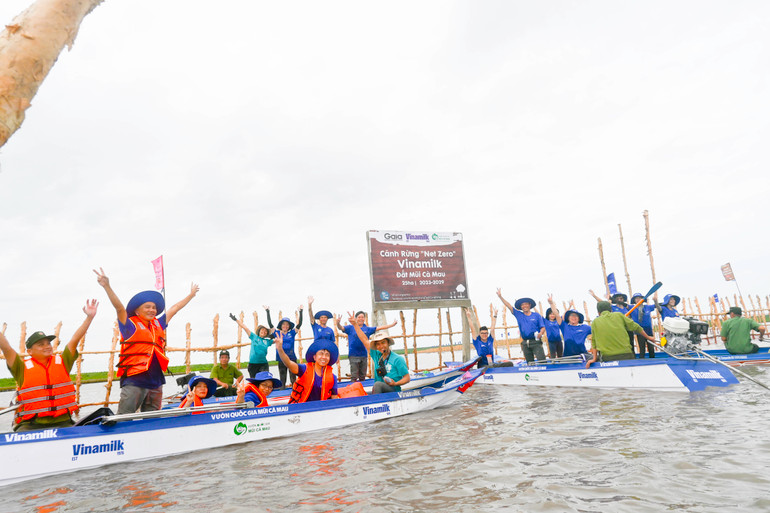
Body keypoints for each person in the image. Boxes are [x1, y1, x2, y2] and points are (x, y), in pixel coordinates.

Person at [94, 267, 199, 414]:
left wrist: (191, 295)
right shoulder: (129, 326)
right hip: (135, 380)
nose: (152, 310)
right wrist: (107, 286)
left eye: (154, 307)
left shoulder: (158, 324)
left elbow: (174, 308)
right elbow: (119, 308)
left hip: (156, 380)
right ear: (137, 311)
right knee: (125, 416)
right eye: (147, 307)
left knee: (153, 417)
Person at [0, 300, 98, 432]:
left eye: (48, 343)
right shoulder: (20, 367)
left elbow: (75, 339)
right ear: (30, 351)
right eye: (41, 344)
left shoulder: (63, 361)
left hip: (63, 422)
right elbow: (6, 347)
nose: (47, 346)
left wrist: (89, 317)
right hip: (31, 425)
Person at [586, 301, 656, 367]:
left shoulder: (595, 322)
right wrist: (649, 337)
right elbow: (637, 327)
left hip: (608, 358)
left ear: (598, 312)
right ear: (611, 310)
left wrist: (594, 359)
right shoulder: (619, 315)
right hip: (626, 355)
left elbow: (594, 343)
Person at [350, 317, 410, 394]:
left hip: (393, 390)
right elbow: (364, 340)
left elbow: (407, 378)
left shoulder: (397, 359)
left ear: (388, 343)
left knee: (378, 385)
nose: (381, 346)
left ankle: (375, 400)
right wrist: (355, 324)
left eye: (383, 342)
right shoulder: (376, 355)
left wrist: (395, 383)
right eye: (378, 344)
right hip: (380, 391)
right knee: (361, 392)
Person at [275, 331, 339, 403]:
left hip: (321, 408)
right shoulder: (304, 369)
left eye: (327, 355)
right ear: (314, 357)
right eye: (321, 354)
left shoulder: (333, 377)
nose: (324, 357)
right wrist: (280, 349)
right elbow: (288, 363)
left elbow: (334, 398)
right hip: (301, 407)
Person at [335, 311, 398, 381]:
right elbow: (341, 328)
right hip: (353, 355)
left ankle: (362, 387)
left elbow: (380, 328)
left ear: (364, 319)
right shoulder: (350, 327)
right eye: (359, 317)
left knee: (362, 375)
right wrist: (338, 323)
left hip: (364, 355)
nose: (361, 319)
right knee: (354, 375)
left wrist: (392, 325)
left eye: (362, 317)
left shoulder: (367, 329)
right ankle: (354, 386)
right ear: (355, 318)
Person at [496, 288, 546, 363]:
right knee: (530, 363)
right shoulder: (519, 315)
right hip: (525, 343)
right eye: (522, 305)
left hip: (536, 342)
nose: (524, 306)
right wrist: (500, 296)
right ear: (521, 307)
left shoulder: (536, 315)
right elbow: (509, 306)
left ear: (529, 305)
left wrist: (540, 333)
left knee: (542, 361)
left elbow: (543, 327)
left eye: (526, 304)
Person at [264, 304, 303, 387]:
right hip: (281, 357)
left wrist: (301, 312)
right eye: (283, 324)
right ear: (281, 326)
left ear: (289, 326)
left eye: (287, 324)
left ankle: (295, 391)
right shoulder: (276, 332)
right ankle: (282, 390)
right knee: (282, 377)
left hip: (291, 357)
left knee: (293, 377)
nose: (285, 326)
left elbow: (299, 324)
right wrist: (267, 311)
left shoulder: (292, 333)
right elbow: (270, 324)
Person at [230, 313, 274, 378]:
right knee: (254, 381)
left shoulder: (267, 341)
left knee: (264, 380)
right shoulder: (254, 336)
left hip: (263, 364)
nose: (264, 331)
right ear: (259, 330)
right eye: (262, 330)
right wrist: (236, 320)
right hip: (253, 364)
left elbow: (278, 339)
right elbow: (245, 327)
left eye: (266, 331)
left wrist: (274, 335)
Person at [629, 293, 656, 358]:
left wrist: (655, 300)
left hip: (648, 331)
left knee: (651, 348)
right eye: (636, 298)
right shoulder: (631, 308)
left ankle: (653, 361)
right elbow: (622, 305)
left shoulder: (647, 307)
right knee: (642, 348)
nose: (638, 299)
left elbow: (657, 306)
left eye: (639, 298)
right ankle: (642, 360)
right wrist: (610, 299)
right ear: (634, 300)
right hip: (639, 331)